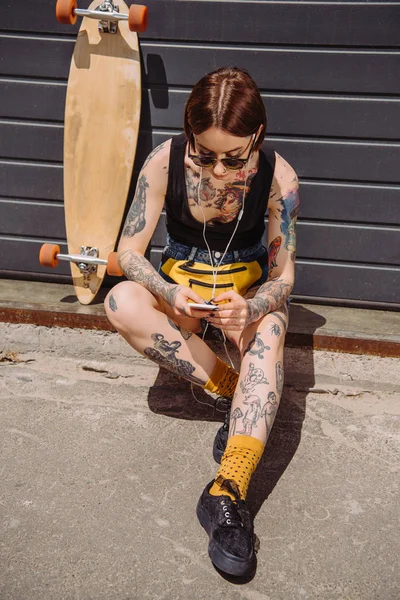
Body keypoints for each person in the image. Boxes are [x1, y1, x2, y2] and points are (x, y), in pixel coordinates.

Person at [105, 67, 299, 577]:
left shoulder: (279, 177)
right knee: (121, 302)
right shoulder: (163, 161)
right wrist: (168, 291)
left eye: (233, 159)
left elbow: (284, 275)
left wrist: (254, 307)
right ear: (189, 136)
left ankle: (227, 490)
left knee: (274, 328)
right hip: (182, 291)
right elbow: (128, 252)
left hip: (244, 294)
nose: (216, 171)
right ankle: (233, 388)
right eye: (203, 154)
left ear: (257, 136)